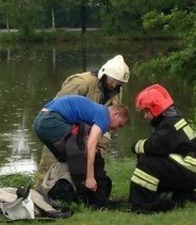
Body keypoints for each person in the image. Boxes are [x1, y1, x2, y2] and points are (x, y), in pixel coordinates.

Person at [35, 54, 130, 182]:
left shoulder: (116, 93)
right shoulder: (81, 83)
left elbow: (110, 123)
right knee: (52, 163)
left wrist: (100, 146)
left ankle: (71, 192)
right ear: (104, 75)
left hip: (84, 133)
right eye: (111, 81)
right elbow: (57, 107)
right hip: (61, 127)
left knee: (81, 160)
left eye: (118, 83)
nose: (113, 85)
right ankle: (40, 188)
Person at [33, 95, 130, 208]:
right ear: (115, 113)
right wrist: (90, 177)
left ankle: (64, 193)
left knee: (69, 158)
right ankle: (87, 195)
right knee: (80, 152)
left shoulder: (98, 110)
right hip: (50, 121)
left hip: (39, 121)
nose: (116, 129)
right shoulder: (104, 117)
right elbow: (90, 145)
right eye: (119, 125)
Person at [128, 84, 196, 214]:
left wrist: (135, 146)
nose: (145, 116)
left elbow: (153, 146)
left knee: (147, 161)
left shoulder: (169, 124)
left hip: (190, 167)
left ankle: (141, 203)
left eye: (146, 111)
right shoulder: (172, 120)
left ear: (155, 108)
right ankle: (182, 197)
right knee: (155, 161)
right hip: (191, 168)